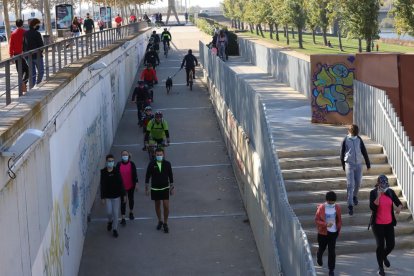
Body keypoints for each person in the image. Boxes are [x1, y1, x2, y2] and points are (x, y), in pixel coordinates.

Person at [369, 175, 403, 276]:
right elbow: (372, 208)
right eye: (382, 184)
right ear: (378, 184)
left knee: (391, 245)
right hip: (377, 224)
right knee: (380, 246)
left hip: (389, 223)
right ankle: (381, 268)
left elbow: (399, 203)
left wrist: (399, 208)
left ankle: (383, 257)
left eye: (386, 184)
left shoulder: (390, 192)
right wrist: (379, 196)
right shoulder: (373, 193)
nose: (384, 186)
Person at [340, 124, 371, 216]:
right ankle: (350, 205)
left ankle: (354, 196)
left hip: (358, 165)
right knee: (350, 185)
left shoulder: (359, 139)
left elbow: (364, 151)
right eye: (353, 133)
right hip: (349, 164)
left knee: (358, 183)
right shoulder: (345, 140)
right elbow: (342, 154)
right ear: (349, 132)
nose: (355, 134)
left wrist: (368, 163)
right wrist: (343, 165)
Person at [145, 148, 174, 233]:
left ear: (163, 154)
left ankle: (165, 223)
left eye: (160, 154)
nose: (159, 156)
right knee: (157, 205)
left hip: (165, 187)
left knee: (166, 206)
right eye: (157, 155)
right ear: (155, 154)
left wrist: (172, 187)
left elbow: (170, 175)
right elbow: (147, 176)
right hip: (155, 188)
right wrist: (146, 188)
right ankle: (160, 221)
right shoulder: (151, 164)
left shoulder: (167, 164)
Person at [315, 191, 342, 276]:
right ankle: (319, 255)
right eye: (329, 201)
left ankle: (331, 269)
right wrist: (325, 224)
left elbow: (339, 219)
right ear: (327, 200)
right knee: (322, 248)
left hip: (333, 233)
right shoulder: (322, 208)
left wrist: (338, 228)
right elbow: (316, 220)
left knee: (332, 252)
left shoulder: (337, 207)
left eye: (333, 201)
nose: (331, 203)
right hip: (323, 233)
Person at [100, 154, 126, 238]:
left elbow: (121, 183)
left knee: (115, 213)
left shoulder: (116, 171)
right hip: (107, 196)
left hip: (116, 197)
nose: (110, 162)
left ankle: (115, 229)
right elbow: (102, 185)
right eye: (109, 161)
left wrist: (124, 195)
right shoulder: (103, 172)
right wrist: (102, 197)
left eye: (112, 161)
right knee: (109, 212)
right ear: (106, 162)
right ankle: (109, 221)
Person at [116, 150, 138, 226]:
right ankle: (123, 218)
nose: (125, 156)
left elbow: (135, 174)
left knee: (131, 199)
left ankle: (131, 212)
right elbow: (117, 175)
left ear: (128, 156)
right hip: (122, 187)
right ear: (121, 156)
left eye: (126, 154)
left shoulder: (132, 164)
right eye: (123, 154)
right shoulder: (118, 164)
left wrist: (137, 183)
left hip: (131, 185)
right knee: (123, 201)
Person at [23, 18, 44, 89]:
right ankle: (38, 85)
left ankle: (31, 88)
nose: (39, 26)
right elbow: (41, 45)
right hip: (37, 56)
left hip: (28, 56)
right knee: (41, 71)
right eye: (38, 24)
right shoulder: (37, 34)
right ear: (35, 25)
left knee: (32, 74)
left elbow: (23, 45)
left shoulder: (25, 33)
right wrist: (41, 51)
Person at [9, 19, 29, 93]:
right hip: (24, 54)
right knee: (28, 71)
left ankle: (22, 85)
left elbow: (11, 45)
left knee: (20, 72)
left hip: (16, 55)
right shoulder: (25, 32)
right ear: (22, 24)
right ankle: (23, 84)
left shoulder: (13, 33)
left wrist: (11, 56)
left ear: (16, 24)